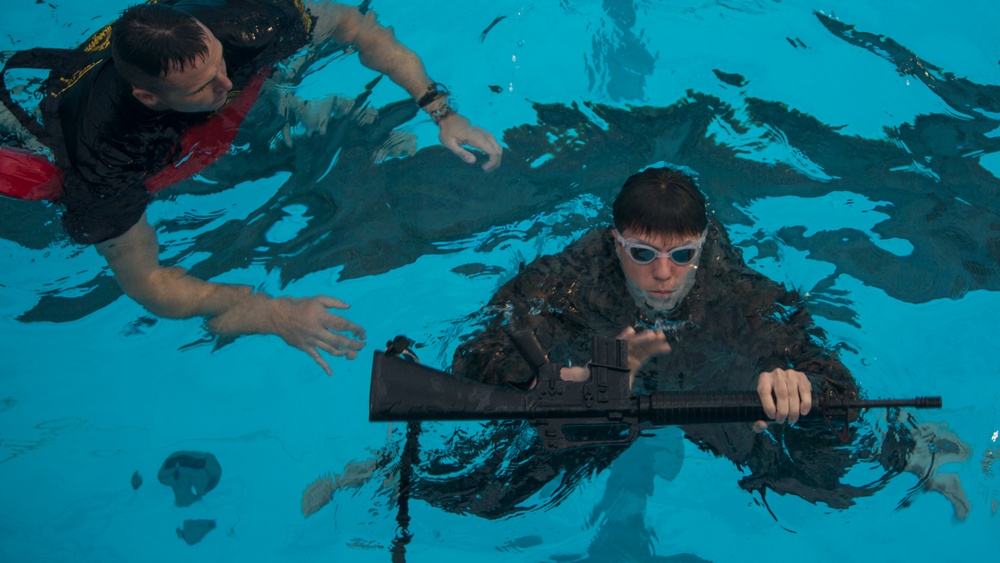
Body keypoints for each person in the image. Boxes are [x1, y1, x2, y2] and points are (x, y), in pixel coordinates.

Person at [310, 165, 969, 529]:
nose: (662, 274)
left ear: (703, 247)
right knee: (501, 486)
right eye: (643, 254)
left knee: (821, 470)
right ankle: (386, 465)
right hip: (598, 383)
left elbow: (818, 359)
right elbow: (480, 356)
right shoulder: (567, 278)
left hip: (703, 373)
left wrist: (795, 380)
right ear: (614, 241)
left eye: (682, 255)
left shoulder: (733, 288)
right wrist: (597, 366)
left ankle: (912, 447)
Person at [23, 0, 504, 375]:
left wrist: (441, 112)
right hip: (111, 140)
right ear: (149, 98)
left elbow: (356, 27)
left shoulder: (245, 20)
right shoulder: (102, 157)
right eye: (205, 85)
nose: (226, 82)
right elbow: (148, 285)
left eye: (219, 63)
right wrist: (272, 313)